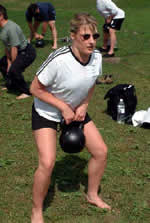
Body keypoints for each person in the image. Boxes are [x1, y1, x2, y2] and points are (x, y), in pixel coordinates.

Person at [30, 12, 111, 223]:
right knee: (47, 163)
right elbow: (35, 88)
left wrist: (83, 105)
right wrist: (62, 107)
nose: (92, 41)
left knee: (101, 152)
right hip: (47, 111)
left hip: (76, 111)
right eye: (86, 37)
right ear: (73, 36)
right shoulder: (59, 59)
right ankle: (36, 210)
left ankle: (92, 194)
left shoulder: (97, 57)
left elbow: (92, 82)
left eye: (94, 36)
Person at [0, 5, 36, 99]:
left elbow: (14, 47)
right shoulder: (2, 28)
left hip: (27, 52)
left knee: (14, 70)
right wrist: (8, 62)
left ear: (1, 16)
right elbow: (7, 46)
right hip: (16, 51)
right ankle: (11, 85)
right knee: (2, 63)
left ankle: (26, 92)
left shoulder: (10, 28)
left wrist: (12, 64)